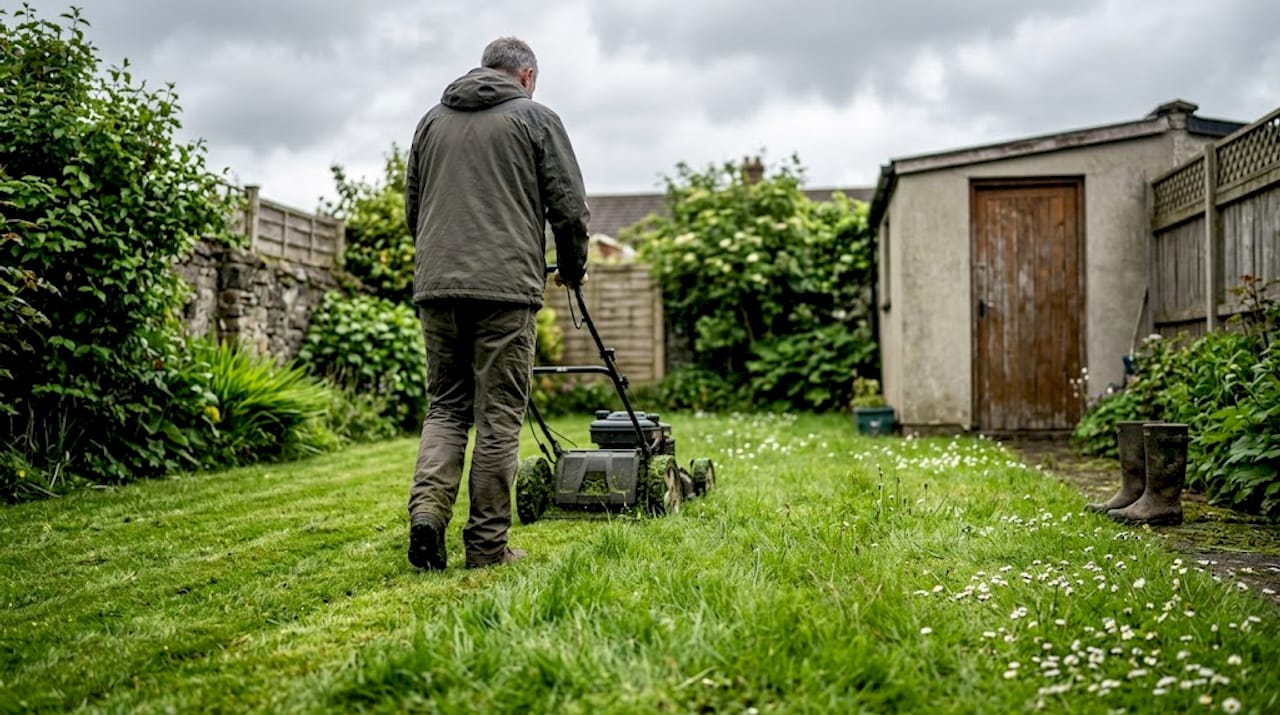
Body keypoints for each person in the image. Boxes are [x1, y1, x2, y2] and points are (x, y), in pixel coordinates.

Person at [403, 37, 590, 570]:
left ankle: (427, 520)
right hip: (505, 290)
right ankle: (487, 547)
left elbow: (414, 211)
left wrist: (440, 265)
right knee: (499, 417)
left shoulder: (431, 121)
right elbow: (570, 209)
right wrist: (572, 267)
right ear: (526, 77)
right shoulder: (535, 120)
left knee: (446, 408)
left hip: (437, 286)